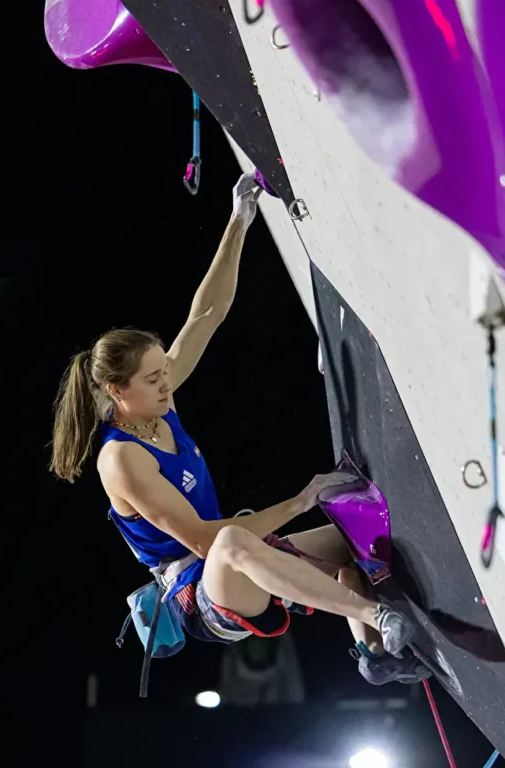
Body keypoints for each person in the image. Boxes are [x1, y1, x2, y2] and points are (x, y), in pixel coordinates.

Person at [50, 172, 425, 686]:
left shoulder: (156, 404)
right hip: (207, 593)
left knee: (352, 539)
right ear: (117, 391)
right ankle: (376, 616)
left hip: (247, 556)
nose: (168, 385)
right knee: (230, 541)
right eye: (154, 378)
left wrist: (238, 221)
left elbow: (205, 314)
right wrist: (298, 502)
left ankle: (375, 655)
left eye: (166, 372)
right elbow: (205, 543)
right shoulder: (122, 459)